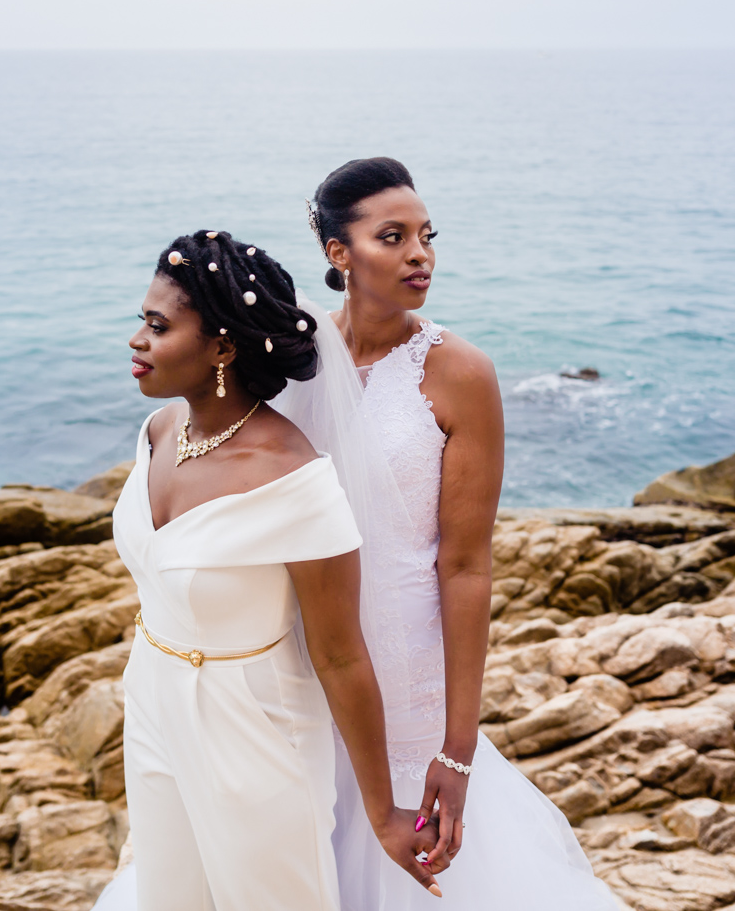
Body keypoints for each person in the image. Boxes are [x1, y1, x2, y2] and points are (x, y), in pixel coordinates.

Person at [276, 158, 623, 908]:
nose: (420, 254)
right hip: (296, 668)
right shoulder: (292, 362)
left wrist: (457, 747)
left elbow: (465, 565)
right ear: (339, 253)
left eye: (426, 236)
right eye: (393, 236)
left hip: (407, 674)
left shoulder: (458, 371)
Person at [92, 230, 444, 911]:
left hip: (254, 729)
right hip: (154, 701)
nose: (136, 339)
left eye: (157, 326)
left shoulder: (293, 480)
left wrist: (382, 812)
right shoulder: (162, 431)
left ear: (223, 348)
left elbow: (341, 654)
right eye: (141, 319)